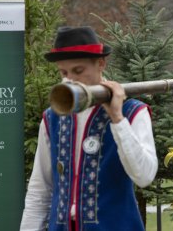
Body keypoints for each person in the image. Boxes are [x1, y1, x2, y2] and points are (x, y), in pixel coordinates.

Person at [20, 26, 158, 231]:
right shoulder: (52, 117)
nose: (69, 80)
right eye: (63, 72)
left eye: (78, 71)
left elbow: (145, 176)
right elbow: (40, 190)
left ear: (101, 63)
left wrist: (118, 119)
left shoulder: (133, 112)